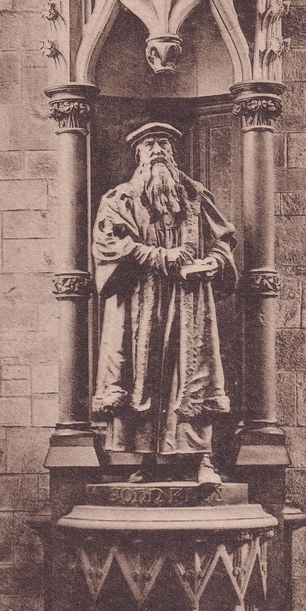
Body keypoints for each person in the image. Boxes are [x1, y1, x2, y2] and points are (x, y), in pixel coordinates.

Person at [91, 122, 237, 484]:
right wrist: (163, 259)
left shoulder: (195, 197)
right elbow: (110, 245)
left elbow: (222, 241)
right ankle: (146, 460)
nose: (157, 149)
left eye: (164, 144)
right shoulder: (119, 199)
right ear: (138, 154)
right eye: (149, 144)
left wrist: (213, 262)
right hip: (140, 299)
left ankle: (203, 459)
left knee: (193, 371)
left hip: (189, 300)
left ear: (173, 154)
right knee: (144, 372)